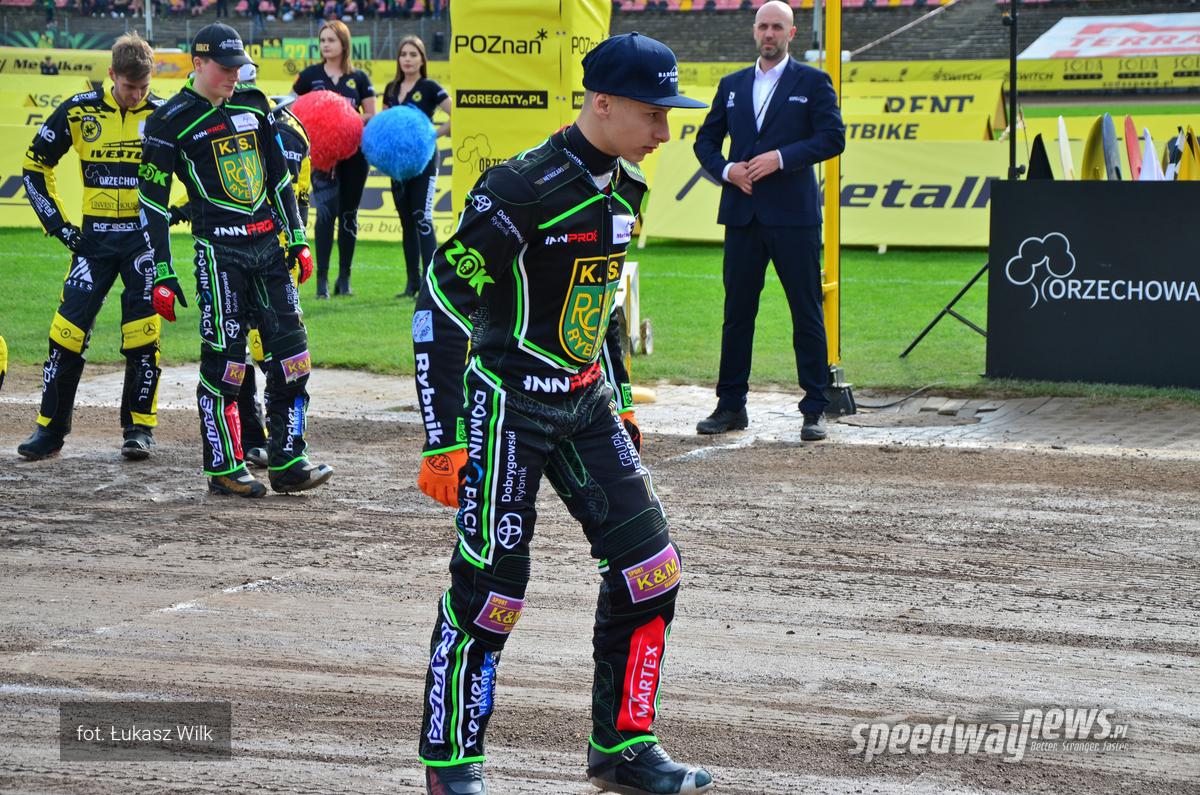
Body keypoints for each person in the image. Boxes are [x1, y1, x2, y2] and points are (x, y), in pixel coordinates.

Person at [411, 31, 713, 795]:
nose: (665, 131)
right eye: (653, 114)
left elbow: (599, 304)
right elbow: (440, 301)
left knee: (652, 569)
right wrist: (442, 437)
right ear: (602, 104)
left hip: (586, 402)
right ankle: (451, 765)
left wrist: (622, 396)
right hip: (508, 409)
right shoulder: (518, 189)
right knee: (493, 592)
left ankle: (623, 748)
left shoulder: (627, 187)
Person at [138, 23, 333, 497]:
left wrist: (298, 238)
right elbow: (152, 202)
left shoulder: (254, 103)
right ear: (198, 63)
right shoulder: (169, 121)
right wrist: (160, 271)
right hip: (219, 255)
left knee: (294, 357)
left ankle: (289, 459)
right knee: (227, 364)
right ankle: (224, 466)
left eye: (237, 68)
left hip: (269, 248)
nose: (233, 76)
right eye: (224, 68)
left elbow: (279, 179)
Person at [692, 0, 845, 441]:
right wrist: (727, 170)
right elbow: (705, 142)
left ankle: (814, 408)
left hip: (794, 217)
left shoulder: (813, 82)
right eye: (763, 26)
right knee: (737, 314)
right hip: (742, 215)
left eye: (777, 27)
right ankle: (730, 405)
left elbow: (833, 138)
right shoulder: (732, 84)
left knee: (806, 311)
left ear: (791, 33)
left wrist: (781, 158)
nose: (769, 34)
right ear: (754, 30)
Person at [18, 33, 163, 462]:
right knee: (66, 332)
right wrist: (59, 226)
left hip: (142, 243)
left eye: (144, 87)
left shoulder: (162, 114)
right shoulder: (78, 111)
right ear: (112, 75)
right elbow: (34, 165)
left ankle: (139, 430)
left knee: (143, 333)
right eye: (129, 87)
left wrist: (177, 210)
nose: (136, 95)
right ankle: (49, 430)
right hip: (93, 240)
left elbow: (198, 169)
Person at [292, 20, 375, 298]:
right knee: (325, 216)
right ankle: (322, 282)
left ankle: (345, 279)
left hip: (354, 157)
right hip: (322, 159)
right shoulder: (309, 76)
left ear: (344, 43)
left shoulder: (359, 78)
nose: (325, 45)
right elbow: (292, 109)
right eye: (322, 40)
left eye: (331, 40)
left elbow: (371, 115)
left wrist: (344, 117)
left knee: (349, 215)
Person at [381, 35, 450, 298]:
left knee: (422, 218)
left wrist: (432, 134)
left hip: (424, 162)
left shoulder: (430, 87)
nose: (407, 59)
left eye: (413, 54)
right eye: (403, 54)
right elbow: (385, 124)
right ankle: (412, 284)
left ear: (422, 59)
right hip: (398, 166)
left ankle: (429, 284)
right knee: (406, 222)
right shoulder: (391, 88)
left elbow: (458, 114)